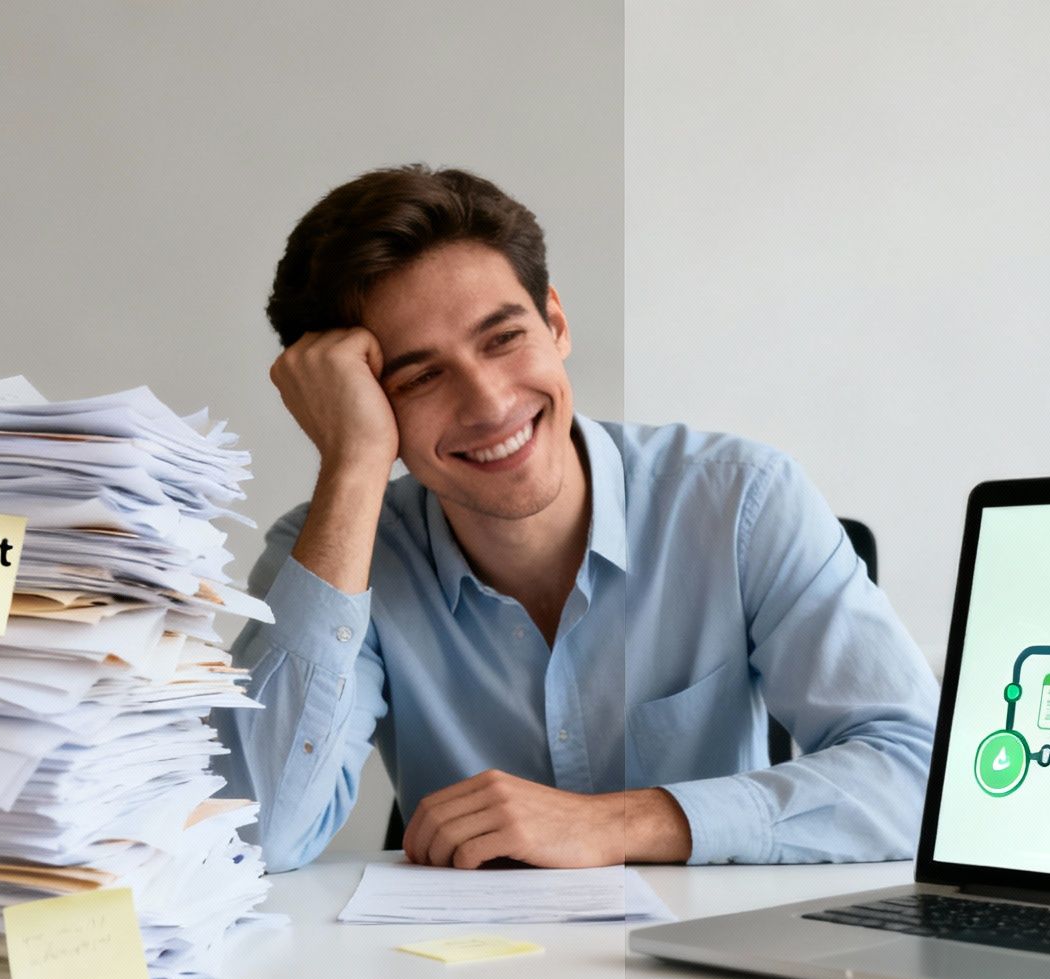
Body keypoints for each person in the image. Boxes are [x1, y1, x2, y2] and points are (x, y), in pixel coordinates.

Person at [216, 164, 936, 872]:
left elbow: (919, 776)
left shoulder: (742, 501)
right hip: (453, 978)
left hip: (704, 967)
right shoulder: (335, 550)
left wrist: (617, 823)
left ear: (555, 323)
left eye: (503, 339)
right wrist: (353, 465)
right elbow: (251, 838)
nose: (490, 403)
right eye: (420, 376)